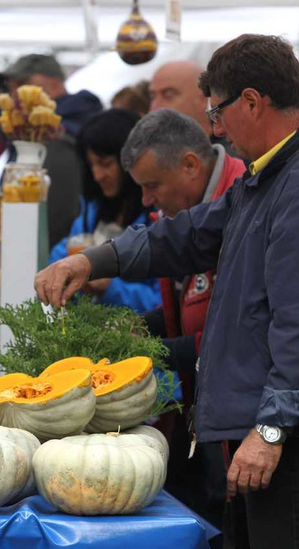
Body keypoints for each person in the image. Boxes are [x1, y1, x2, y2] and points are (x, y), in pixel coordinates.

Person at [34, 34, 299, 548]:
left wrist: (270, 432)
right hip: (275, 430)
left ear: (251, 101)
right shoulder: (268, 176)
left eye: (217, 111)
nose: (214, 126)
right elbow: (188, 233)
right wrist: (92, 261)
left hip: (298, 437)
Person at [120, 109, 246, 529]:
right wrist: (144, 326)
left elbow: (237, 333)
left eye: (152, 185)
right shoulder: (183, 209)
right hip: (216, 403)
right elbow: (190, 301)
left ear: (191, 165)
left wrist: (148, 350)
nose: (146, 201)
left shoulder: (242, 201)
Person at [49, 109, 159, 315]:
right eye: (92, 166)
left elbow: (162, 303)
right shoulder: (92, 212)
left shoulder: (158, 217)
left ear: (130, 160)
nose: (98, 175)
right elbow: (62, 253)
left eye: (105, 164)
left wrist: (110, 287)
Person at [0, 54, 103, 247]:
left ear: (53, 85)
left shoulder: (58, 136)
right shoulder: (31, 131)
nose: (13, 95)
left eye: (23, 85)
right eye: (11, 87)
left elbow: (55, 215)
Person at [150, 60, 235, 155]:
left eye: (168, 95)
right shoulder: (155, 159)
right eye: (152, 96)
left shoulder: (232, 161)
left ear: (203, 99)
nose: (155, 107)